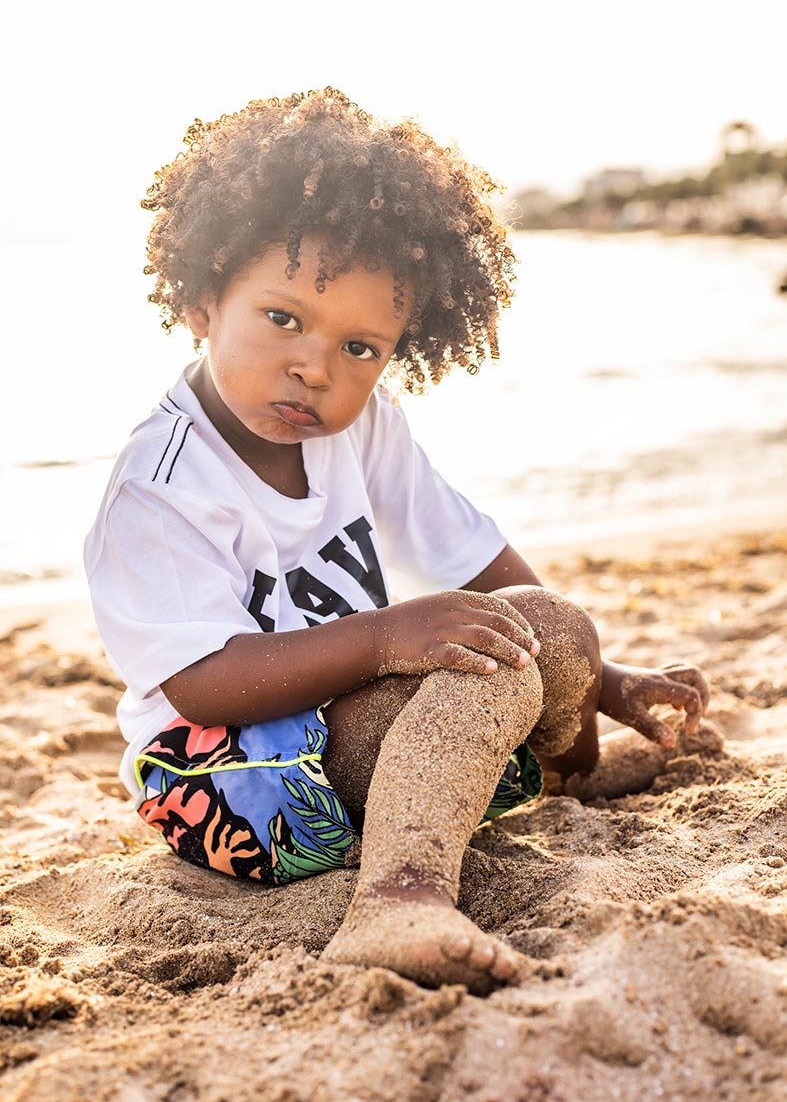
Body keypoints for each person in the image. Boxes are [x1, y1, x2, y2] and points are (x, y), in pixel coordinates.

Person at [84, 88, 709, 995]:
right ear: (202, 296)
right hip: (230, 785)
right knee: (479, 659)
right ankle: (397, 897)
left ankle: (574, 777)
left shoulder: (359, 425)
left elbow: (469, 555)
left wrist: (603, 680)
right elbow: (198, 682)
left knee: (547, 626)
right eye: (283, 318)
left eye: (362, 347)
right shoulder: (161, 483)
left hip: (360, 738)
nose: (316, 366)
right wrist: (384, 637)